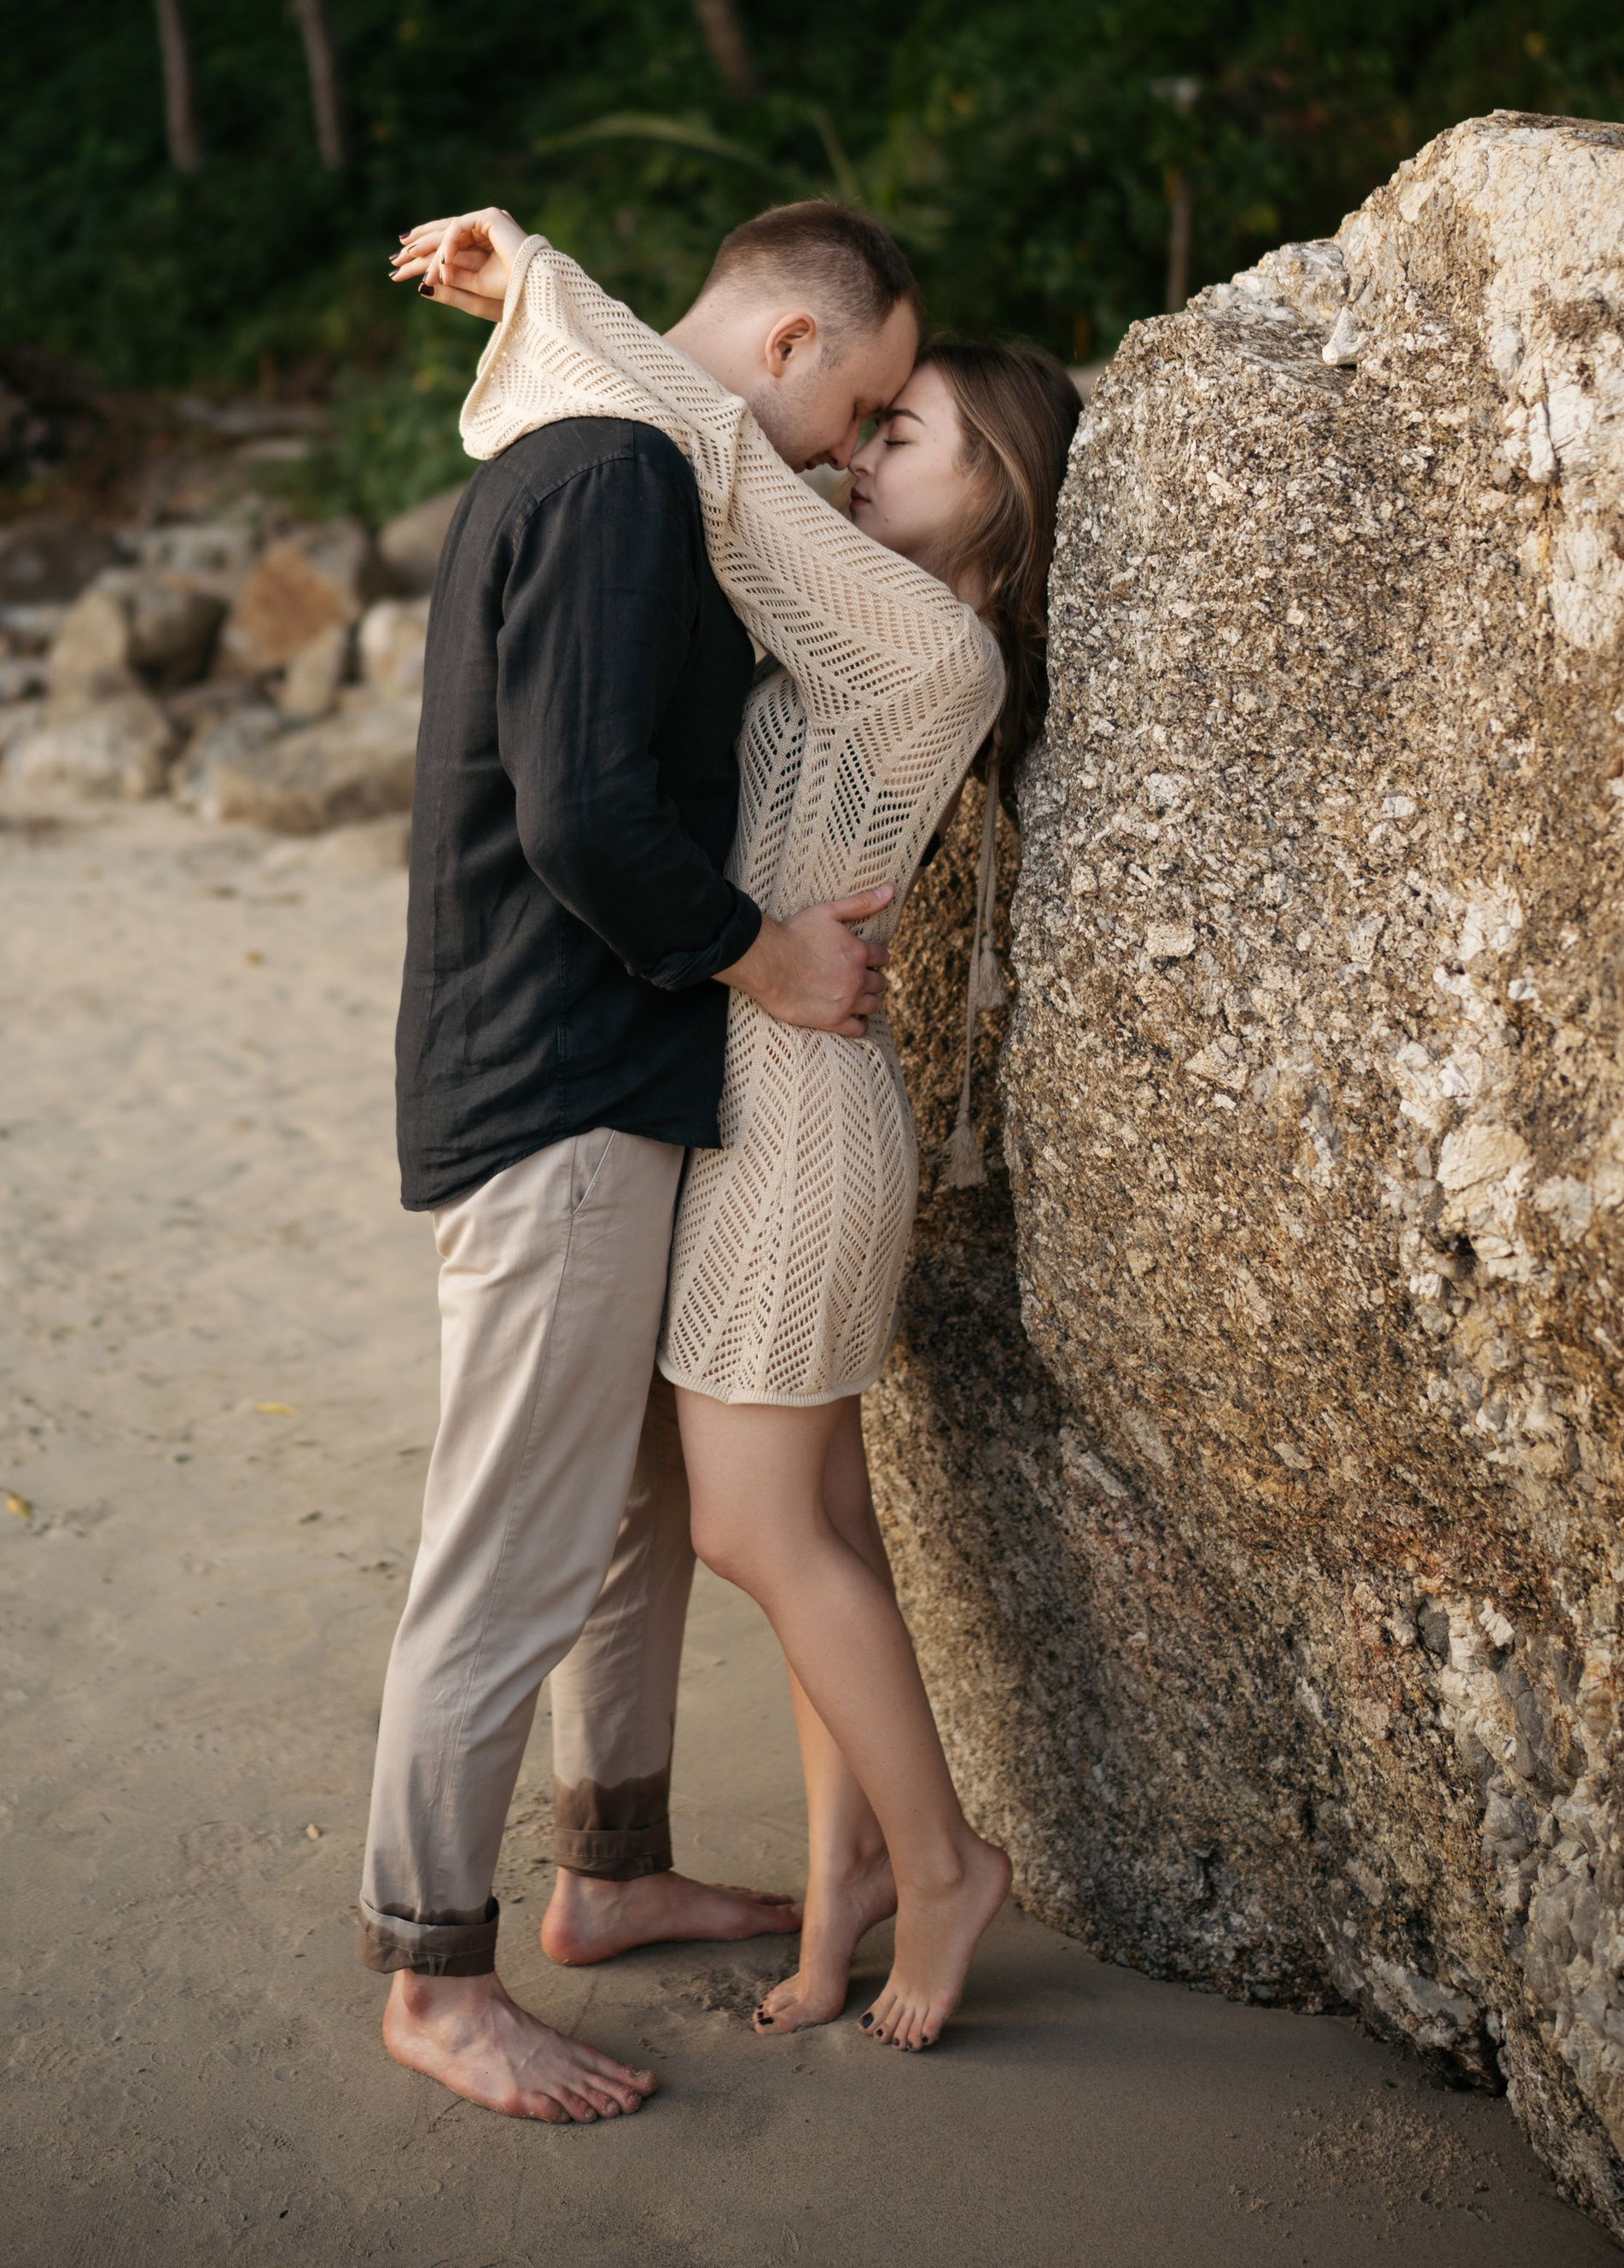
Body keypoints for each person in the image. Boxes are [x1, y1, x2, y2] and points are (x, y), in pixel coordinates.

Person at [399, 205, 1080, 2058]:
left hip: (787, 1115)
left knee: (757, 1534)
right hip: (764, 1101)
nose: (857, 457)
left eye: (900, 435)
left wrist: (540, 278)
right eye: (867, 416)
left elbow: (704, 442)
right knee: (822, 1529)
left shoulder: (932, 653)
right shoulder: (870, 625)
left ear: (996, 502)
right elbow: (722, 439)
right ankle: (851, 1877)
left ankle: (939, 1865)